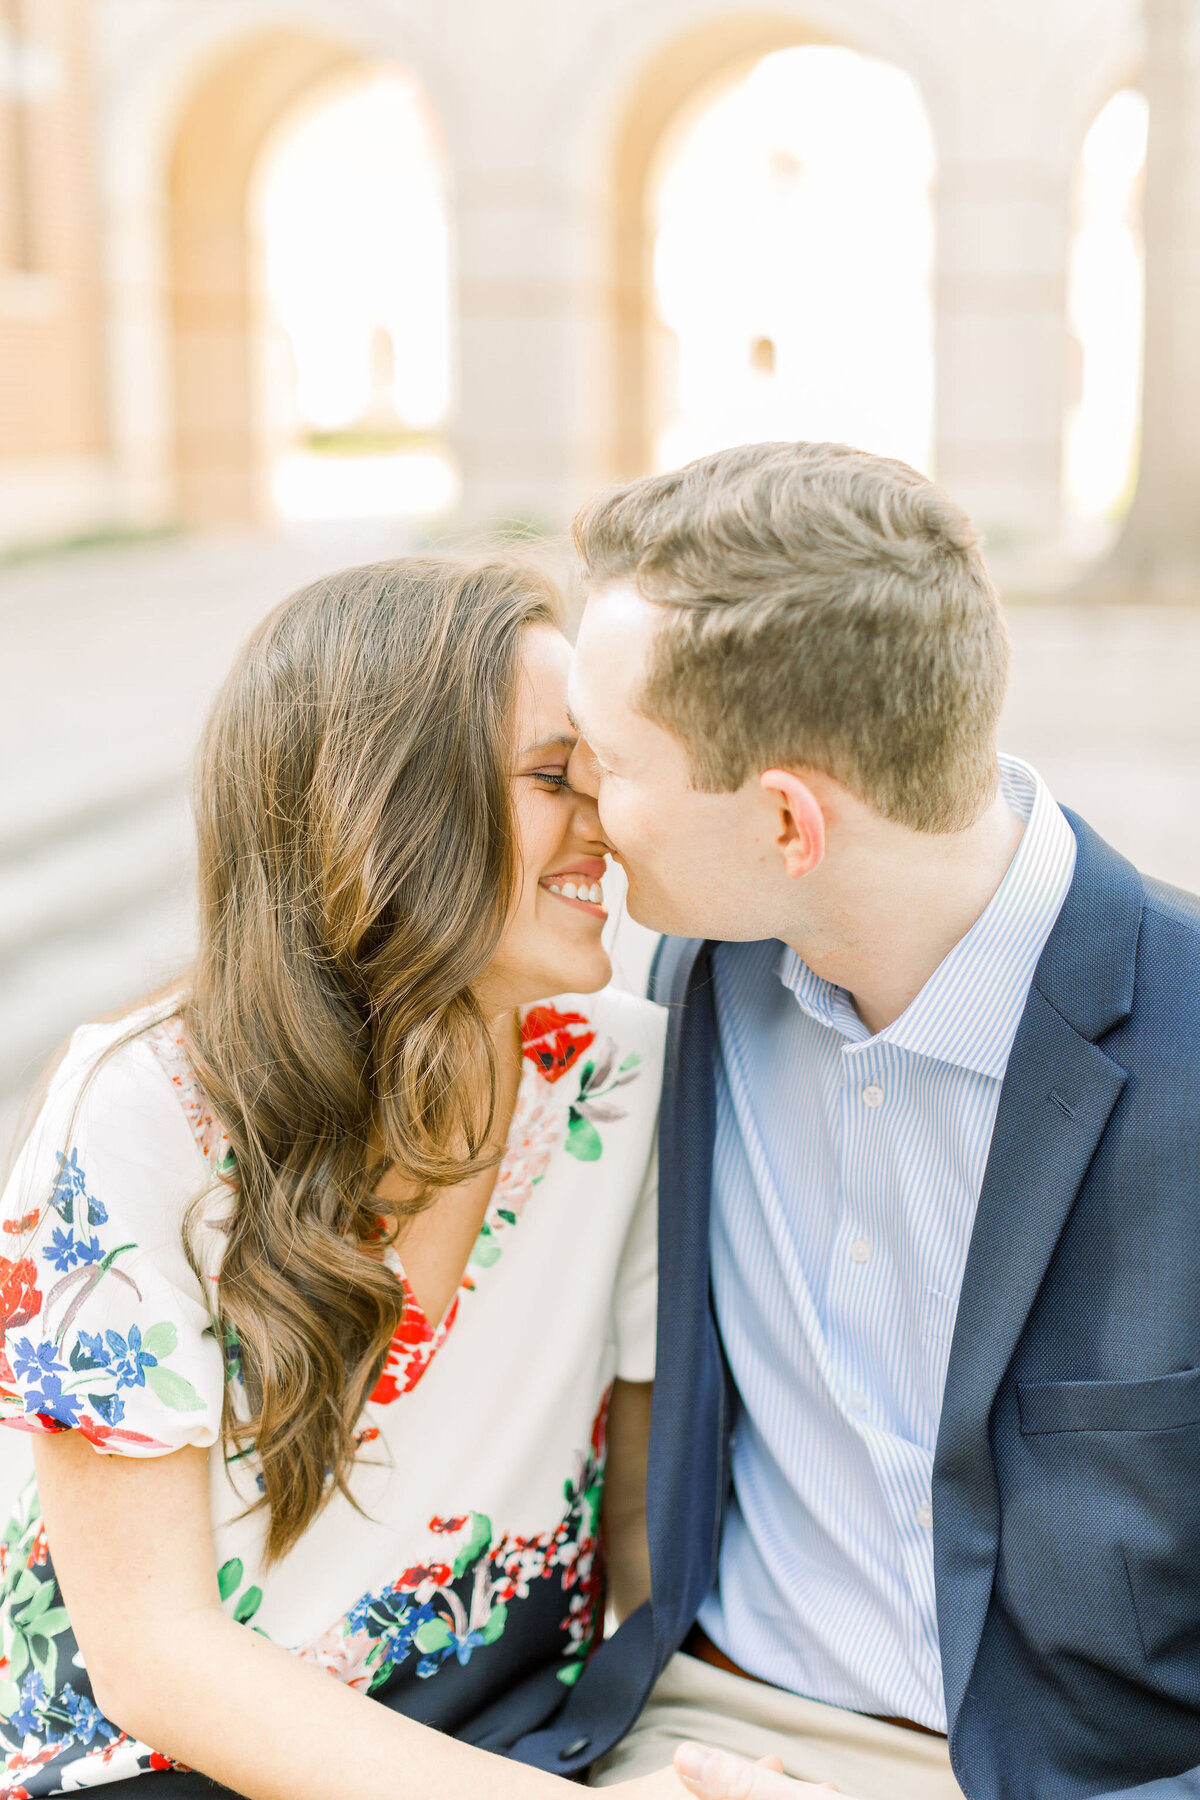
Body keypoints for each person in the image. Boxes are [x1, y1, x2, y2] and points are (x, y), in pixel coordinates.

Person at [506, 442, 1200, 1800]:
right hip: (694, 1726)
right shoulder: (701, 971)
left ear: (786, 821)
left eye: (612, 764)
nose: (587, 806)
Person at [0, 555, 696, 1800]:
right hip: (164, 1767)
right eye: (554, 778)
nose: (608, 824)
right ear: (390, 810)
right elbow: (157, 1659)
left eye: (607, 776)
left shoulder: (630, 1074)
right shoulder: (137, 1111)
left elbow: (640, 1527)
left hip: (514, 1732)